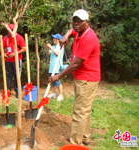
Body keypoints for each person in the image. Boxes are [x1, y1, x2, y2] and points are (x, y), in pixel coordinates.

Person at [49, 9, 101, 145]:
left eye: (80, 21)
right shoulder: (79, 31)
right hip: (82, 77)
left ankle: (75, 142)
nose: (76, 24)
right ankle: (84, 137)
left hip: (87, 78)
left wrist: (58, 76)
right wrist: (65, 36)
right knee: (84, 108)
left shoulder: (89, 38)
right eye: (74, 21)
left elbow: (76, 64)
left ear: (87, 22)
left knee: (79, 111)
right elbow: (72, 31)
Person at [3, 24, 26, 98]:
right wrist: (4, 54)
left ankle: (17, 92)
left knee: (17, 76)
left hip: (17, 60)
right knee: (8, 76)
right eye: (10, 30)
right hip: (8, 61)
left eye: (13, 30)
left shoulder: (19, 37)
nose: (11, 31)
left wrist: (16, 53)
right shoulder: (5, 38)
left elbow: (24, 48)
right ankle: (7, 91)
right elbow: (2, 48)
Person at [46, 34, 64, 101]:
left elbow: (57, 53)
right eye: (53, 38)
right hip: (52, 67)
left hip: (57, 68)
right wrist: (48, 49)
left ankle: (60, 95)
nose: (53, 39)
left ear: (58, 40)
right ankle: (53, 93)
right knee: (51, 81)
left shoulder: (60, 47)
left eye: (55, 38)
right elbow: (49, 55)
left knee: (58, 82)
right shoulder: (53, 46)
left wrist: (51, 47)